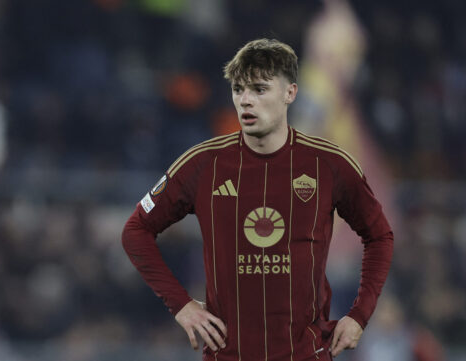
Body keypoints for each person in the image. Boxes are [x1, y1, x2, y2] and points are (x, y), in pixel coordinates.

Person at [121, 38, 393, 361]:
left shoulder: (330, 165)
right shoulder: (202, 165)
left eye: (259, 90)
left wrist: (359, 315)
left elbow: (379, 235)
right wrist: (181, 305)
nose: (246, 101)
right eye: (238, 90)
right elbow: (135, 231)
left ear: (290, 93)